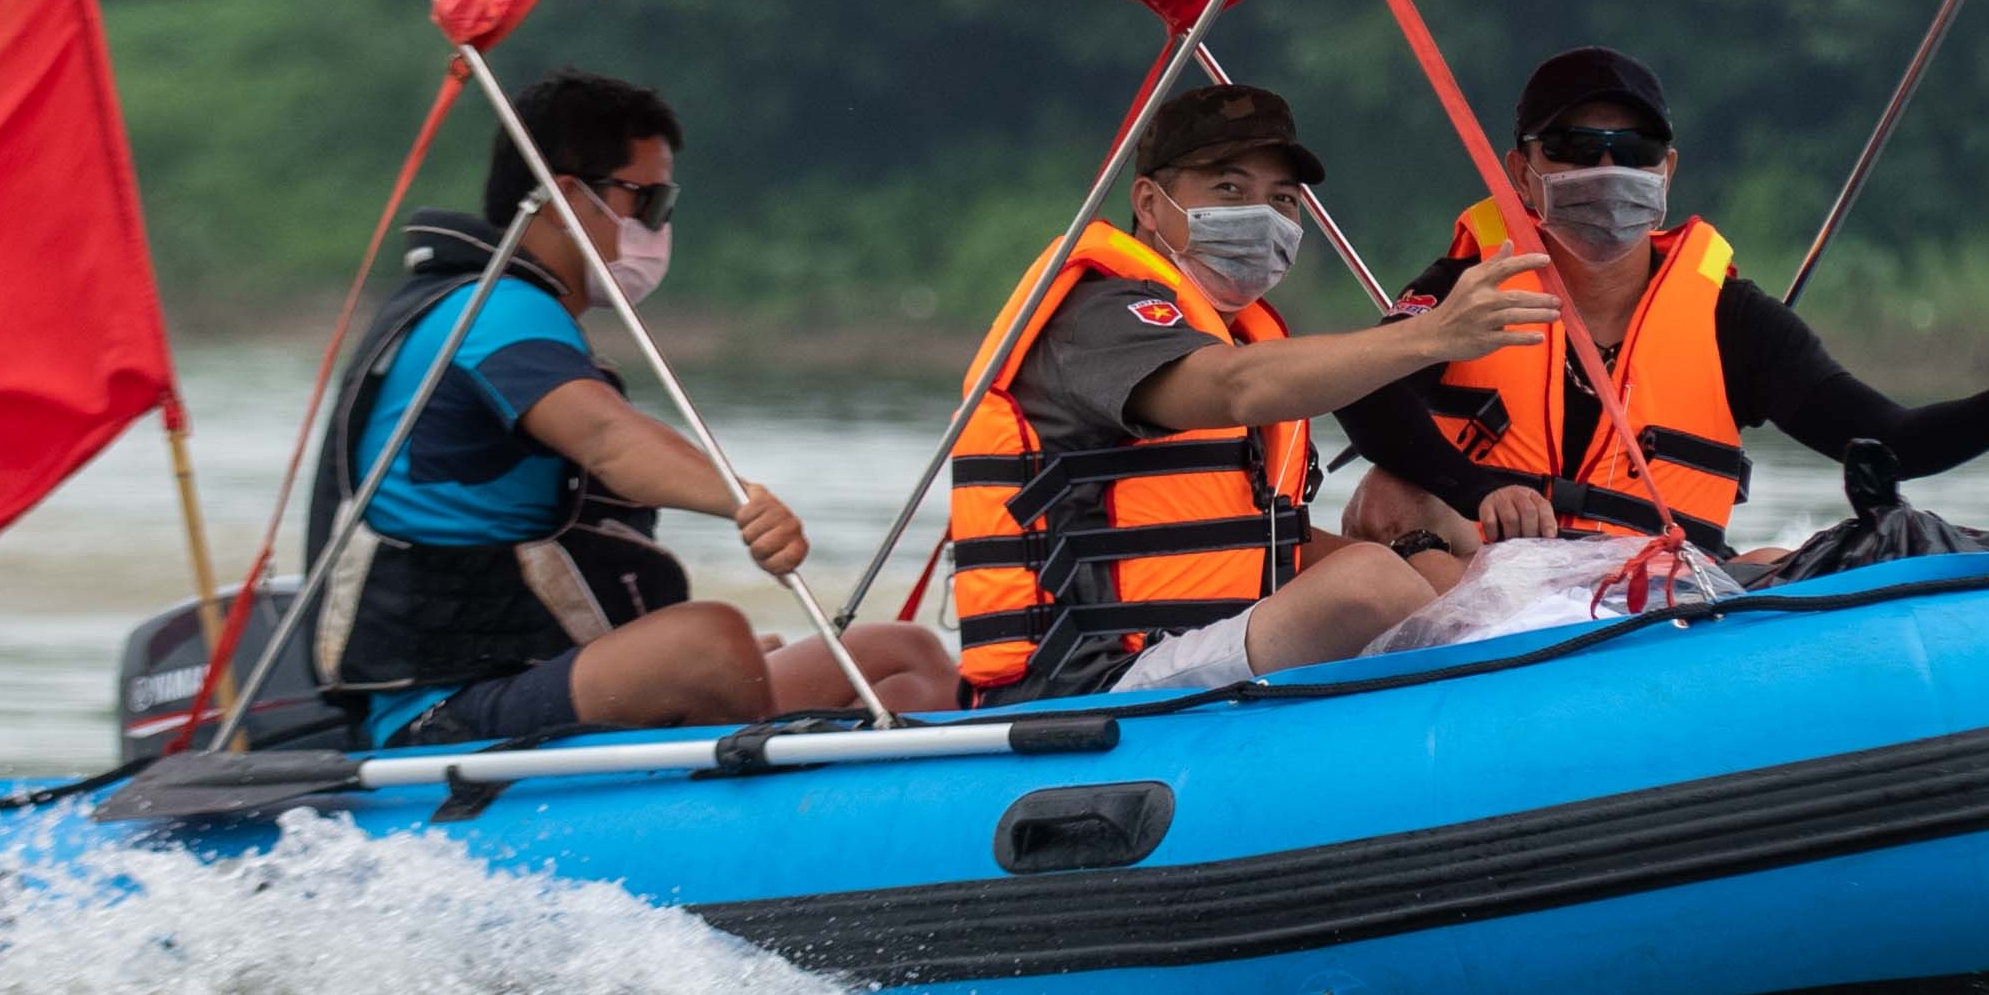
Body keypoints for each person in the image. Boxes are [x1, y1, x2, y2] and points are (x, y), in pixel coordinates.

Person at [307, 68, 956, 748]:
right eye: (645, 201)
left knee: (903, 654)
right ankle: (758, 784)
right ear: (563, 198)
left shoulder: (526, 316)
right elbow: (609, 441)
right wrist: (742, 501)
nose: (657, 226)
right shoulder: (492, 311)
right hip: (441, 711)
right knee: (710, 642)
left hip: (538, 671)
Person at [1336, 46, 1989, 557]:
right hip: (1492, 584)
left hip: (1654, 597)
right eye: (1573, 147)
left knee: (1782, 561)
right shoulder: (1468, 288)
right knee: (1390, 495)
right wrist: (1477, 488)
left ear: (1666, 171)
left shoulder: (1731, 320)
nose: (1607, 167)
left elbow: (1888, 437)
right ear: (1522, 167)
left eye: (1633, 152)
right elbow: (1366, 392)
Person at [948, 83, 1562, 701]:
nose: (1261, 215)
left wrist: (1426, 555)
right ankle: (1501, 716)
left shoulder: (1234, 330)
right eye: (1229, 190)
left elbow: (1254, 544)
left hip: (1191, 646)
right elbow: (1234, 388)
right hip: (1087, 680)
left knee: (1433, 559)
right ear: (1149, 203)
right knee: (1370, 583)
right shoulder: (1099, 314)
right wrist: (1429, 337)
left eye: (1283, 199)